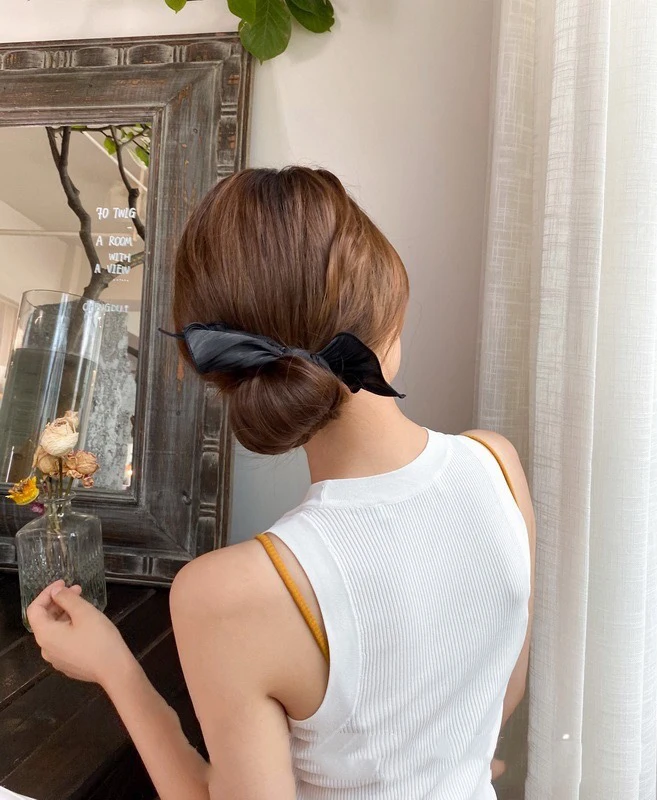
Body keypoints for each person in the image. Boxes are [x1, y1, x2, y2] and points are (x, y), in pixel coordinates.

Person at [27, 167, 536, 800]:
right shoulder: (496, 465)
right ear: (391, 305)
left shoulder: (229, 592)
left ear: (215, 368)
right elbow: (500, 698)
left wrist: (115, 669)